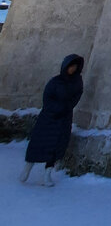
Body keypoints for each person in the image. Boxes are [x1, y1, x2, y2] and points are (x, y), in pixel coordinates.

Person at [19, 54, 85, 186]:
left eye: (75, 67)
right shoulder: (55, 82)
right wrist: (57, 108)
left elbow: (77, 96)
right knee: (38, 143)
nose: (72, 69)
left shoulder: (76, 82)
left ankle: (47, 175)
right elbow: (47, 98)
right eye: (70, 66)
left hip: (64, 118)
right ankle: (27, 168)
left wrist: (67, 107)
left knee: (56, 147)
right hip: (49, 117)